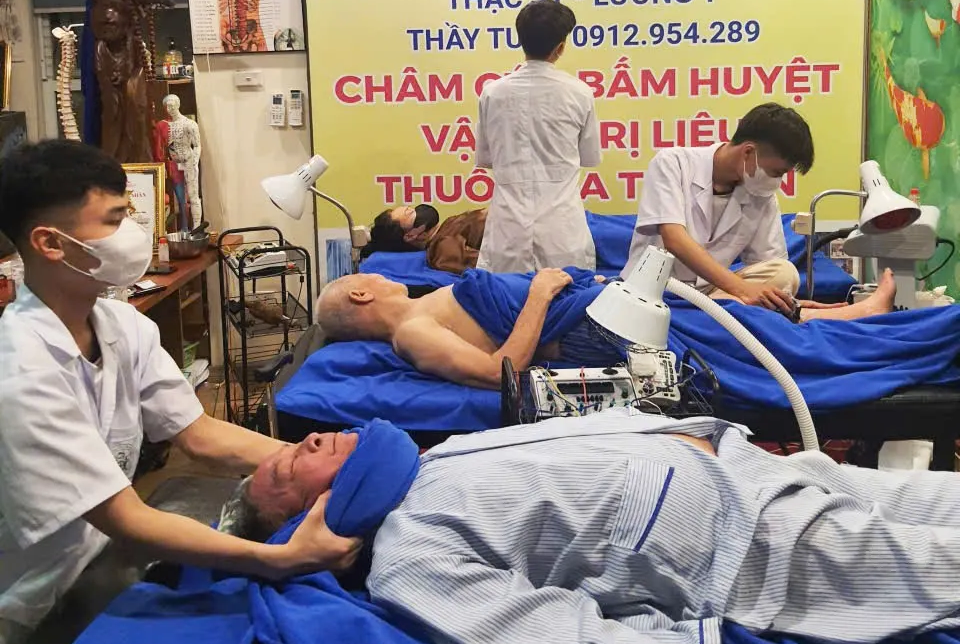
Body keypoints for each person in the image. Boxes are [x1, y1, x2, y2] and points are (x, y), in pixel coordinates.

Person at [236, 409, 960, 644]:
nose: (310, 438)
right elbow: (558, 638)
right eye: (290, 465)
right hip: (754, 548)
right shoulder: (409, 559)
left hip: (757, 470)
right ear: (312, 517)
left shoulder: (431, 458)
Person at [0, 140, 358, 644]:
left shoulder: (122, 325)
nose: (133, 234)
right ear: (51, 243)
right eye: (114, 219)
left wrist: (317, 458)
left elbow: (199, 435)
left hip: (101, 561)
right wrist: (277, 559)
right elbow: (126, 517)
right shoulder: (20, 372)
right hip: (33, 607)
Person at [314, 265, 897, 389]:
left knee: (730, 315)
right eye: (369, 275)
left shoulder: (422, 311)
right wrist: (540, 294)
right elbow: (500, 371)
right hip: (592, 331)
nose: (382, 274)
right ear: (361, 294)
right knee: (738, 333)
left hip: (594, 311)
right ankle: (853, 325)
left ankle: (842, 315)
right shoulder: (412, 333)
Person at [625, 103, 815, 316]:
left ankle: (717, 311)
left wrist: (791, 303)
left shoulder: (761, 194)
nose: (777, 181)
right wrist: (742, 289)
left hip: (714, 294)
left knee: (784, 273)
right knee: (753, 299)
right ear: (748, 152)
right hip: (657, 290)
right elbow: (674, 238)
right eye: (776, 172)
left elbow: (768, 262)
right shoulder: (673, 163)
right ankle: (722, 311)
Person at [475, 0, 600, 273]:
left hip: (508, 231)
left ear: (520, 40)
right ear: (561, 47)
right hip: (562, 231)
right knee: (566, 296)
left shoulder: (492, 93)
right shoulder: (579, 93)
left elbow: (485, 158)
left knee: (506, 298)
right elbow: (589, 157)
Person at [362, 203, 488, 274]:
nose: (419, 210)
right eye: (410, 214)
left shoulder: (445, 228)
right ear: (411, 236)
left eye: (412, 208)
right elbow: (492, 264)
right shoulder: (442, 249)